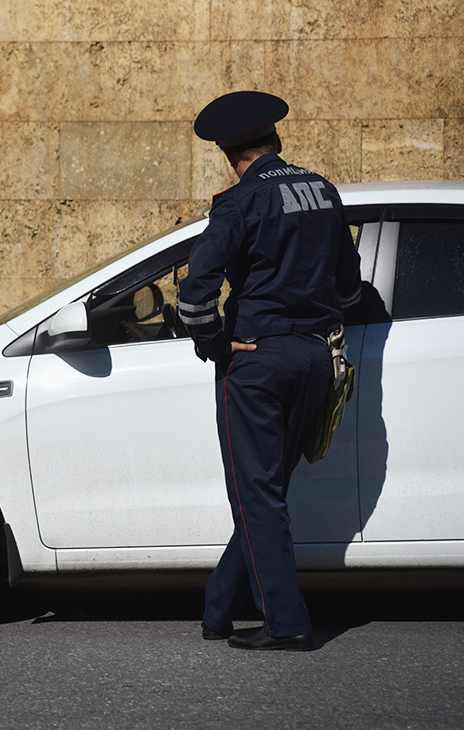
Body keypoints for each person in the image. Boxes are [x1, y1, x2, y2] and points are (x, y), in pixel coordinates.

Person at [179, 92, 362, 651]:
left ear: (227, 153)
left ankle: (287, 623)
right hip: (315, 356)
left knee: (256, 495)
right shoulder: (323, 191)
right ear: (276, 140)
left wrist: (215, 344)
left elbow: (194, 294)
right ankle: (217, 609)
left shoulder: (238, 203)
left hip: (257, 360)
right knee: (267, 491)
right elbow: (349, 285)